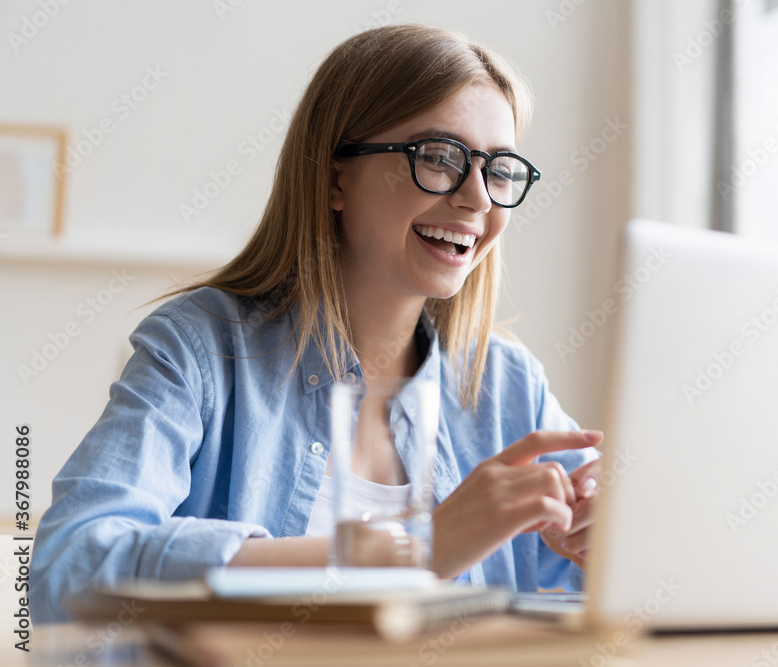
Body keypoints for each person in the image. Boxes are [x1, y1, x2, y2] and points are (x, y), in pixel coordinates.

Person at [30, 23, 602, 624]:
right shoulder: (199, 348)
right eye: (438, 158)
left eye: (500, 171)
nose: (478, 199)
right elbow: (70, 569)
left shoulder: (507, 385)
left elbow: (605, 587)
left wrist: (610, 544)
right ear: (336, 178)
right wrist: (412, 549)